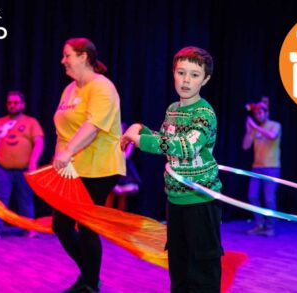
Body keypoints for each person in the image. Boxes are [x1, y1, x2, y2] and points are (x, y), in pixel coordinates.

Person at [121, 46, 223, 293]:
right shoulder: (173, 109)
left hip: (200, 198)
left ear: (206, 79)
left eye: (195, 75)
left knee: (202, 267)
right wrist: (142, 130)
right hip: (175, 197)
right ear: (173, 74)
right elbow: (167, 141)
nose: (186, 80)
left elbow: (186, 147)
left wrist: (141, 141)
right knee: (178, 264)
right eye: (181, 72)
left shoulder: (204, 113)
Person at [52, 37, 125, 293]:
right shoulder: (70, 89)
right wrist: (58, 157)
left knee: (86, 225)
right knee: (60, 225)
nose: (63, 61)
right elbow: (62, 130)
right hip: (74, 168)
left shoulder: (103, 87)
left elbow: (93, 127)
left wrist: (68, 151)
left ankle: (90, 283)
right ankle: (90, 275)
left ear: (83, 57)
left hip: (101, 168)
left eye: (67, 55)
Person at [0, 91, 44, 240]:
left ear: (22, 105)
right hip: (2, 169)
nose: (12, 105)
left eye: (16, 103)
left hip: (24, 169)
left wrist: (33, 162)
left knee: (25, 199)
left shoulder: (31, 122)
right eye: (9, 103)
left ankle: (29, 228)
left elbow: (39, 142)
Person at [242, 97, 281, 237]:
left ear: (266, 113)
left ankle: (270, 227)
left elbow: (272, 136)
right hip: (256, 168)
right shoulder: (253, 129)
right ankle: (259, 224)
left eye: (260, 113)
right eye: (256, 114)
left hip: (272, 168)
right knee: (252, 196)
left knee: (269, 198)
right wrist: (248, 131)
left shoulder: (275, 125)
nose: (258, 115)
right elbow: (245, 146)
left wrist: (255, 127)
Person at [105, 122, 141, 211]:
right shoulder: (111, 140)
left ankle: (120, 215)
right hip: (112, 166)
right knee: (109, 194)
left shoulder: (129, 142)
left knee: (122, 197)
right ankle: (105, 213)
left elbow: (127, 155)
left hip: (124, 169)